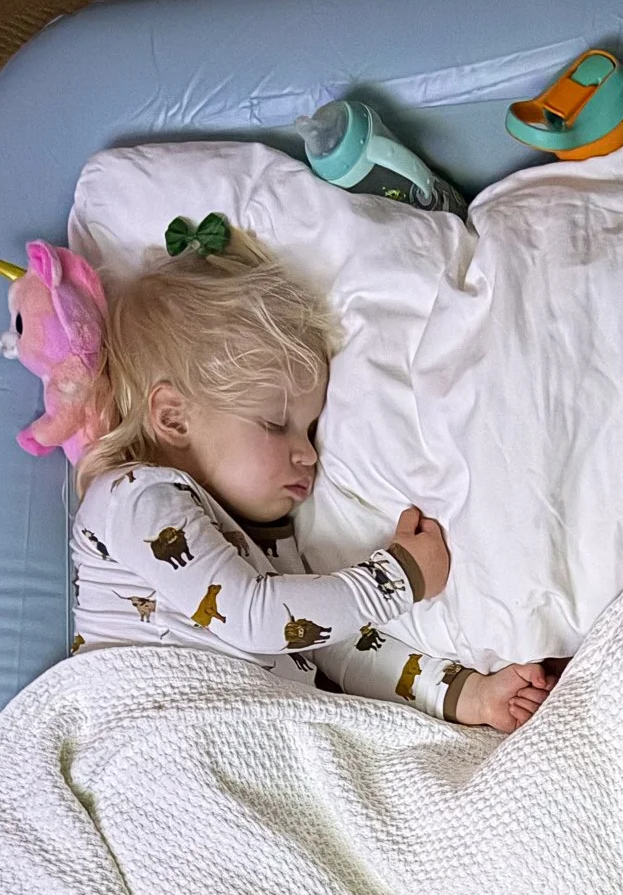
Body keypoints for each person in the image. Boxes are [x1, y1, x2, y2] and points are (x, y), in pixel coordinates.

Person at [72, 221, 551, 732]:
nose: (308, 455)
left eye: (311, 429)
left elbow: (333, 643)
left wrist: (464, 694)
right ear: (173, 417)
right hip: (156, 743)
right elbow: (253, 615)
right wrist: (396, 579)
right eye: (276, 425)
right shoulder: (129, 497)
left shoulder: (264, 542)